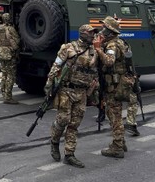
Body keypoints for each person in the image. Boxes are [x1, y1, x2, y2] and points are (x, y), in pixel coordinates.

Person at [45, 24, 98, 168]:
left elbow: (94, 72)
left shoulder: (94, 51)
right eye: (91, 33)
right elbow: (56, 66)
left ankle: (69, 154)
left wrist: (95, 91)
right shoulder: (68, 48)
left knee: (74, 124)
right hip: (66, 90)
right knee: (63, 119)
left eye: (94, 33)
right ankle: (54, 141)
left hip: (82, 93)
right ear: (82, 33)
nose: (93, 35)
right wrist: (49, 84)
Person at [94, 16, 133, 159]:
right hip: (116, 84)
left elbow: (109, 62)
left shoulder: (112, 45)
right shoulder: (118, 42)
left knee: (114, 115)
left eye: (104, 28)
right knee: (115, 114)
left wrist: (98, 49)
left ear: (110, 31)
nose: (102, 31)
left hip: (114, 86)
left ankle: (117, 147)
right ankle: (121, 142)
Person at [0, 13, 20, 104]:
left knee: (4, 74)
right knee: (11, 75)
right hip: (9, 53)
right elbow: (17, 40)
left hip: (1, 52)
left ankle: (3, 93)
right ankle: (8, 97)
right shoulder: (11, 29)